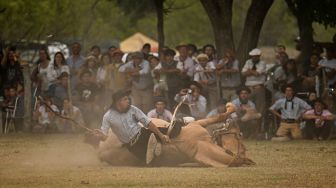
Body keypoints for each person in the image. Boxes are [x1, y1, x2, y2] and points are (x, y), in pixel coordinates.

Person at [95, 89, 171, 164]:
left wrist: (161, 135)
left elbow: (147, 123)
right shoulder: (108, 116)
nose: (128, 100)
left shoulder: (133, 109)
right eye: (125, 99)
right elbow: (104, 137)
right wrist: (99, 135)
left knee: (171, 130)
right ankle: (155, 145)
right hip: (132, 145)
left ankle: (156, 141)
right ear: (118, 102)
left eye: (128, 98)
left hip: (142, 134)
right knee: (151, 162)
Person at [242, 48, 267, 120]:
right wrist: (252, 72)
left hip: (258, 87)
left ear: (259, 56)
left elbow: (257, 73)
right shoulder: (248, 62)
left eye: (256, 56)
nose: (254, 57)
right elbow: (243, 73)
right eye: (253, 56)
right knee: (249, 107)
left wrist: (249, 71)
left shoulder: (262, 63)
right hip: (249, 88)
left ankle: (258, 126)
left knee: (259, 107)